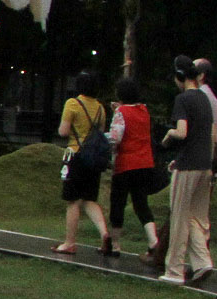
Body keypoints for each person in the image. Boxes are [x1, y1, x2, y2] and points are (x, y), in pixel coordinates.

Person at [162, 56, 217, 286]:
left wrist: (169, 135)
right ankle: (202, 262)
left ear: (180, 77)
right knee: (195, 216)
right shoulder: (205, 99)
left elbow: (182, 132)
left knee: (179, 216)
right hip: (205, 164)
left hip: (188, 165)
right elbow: (208, 135)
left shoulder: (183, 99)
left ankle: (174, 270)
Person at [53, 71, 110, 255]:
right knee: (89, 199)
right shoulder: (100, 108)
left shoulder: (73, 103)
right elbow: (100, 133)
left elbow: (63, 131)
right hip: (93, 158)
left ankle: (69, 242)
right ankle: (104, 233)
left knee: (73, 201)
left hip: (76, 155)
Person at [105, 77, 160, 264]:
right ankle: (153, 240)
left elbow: (116, 137)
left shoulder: (120, 112)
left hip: (125, 164)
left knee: (118, 203)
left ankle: (115, 244)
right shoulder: (144, 110)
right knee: (141, 203)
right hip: (144, 162)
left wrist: (103, 139)